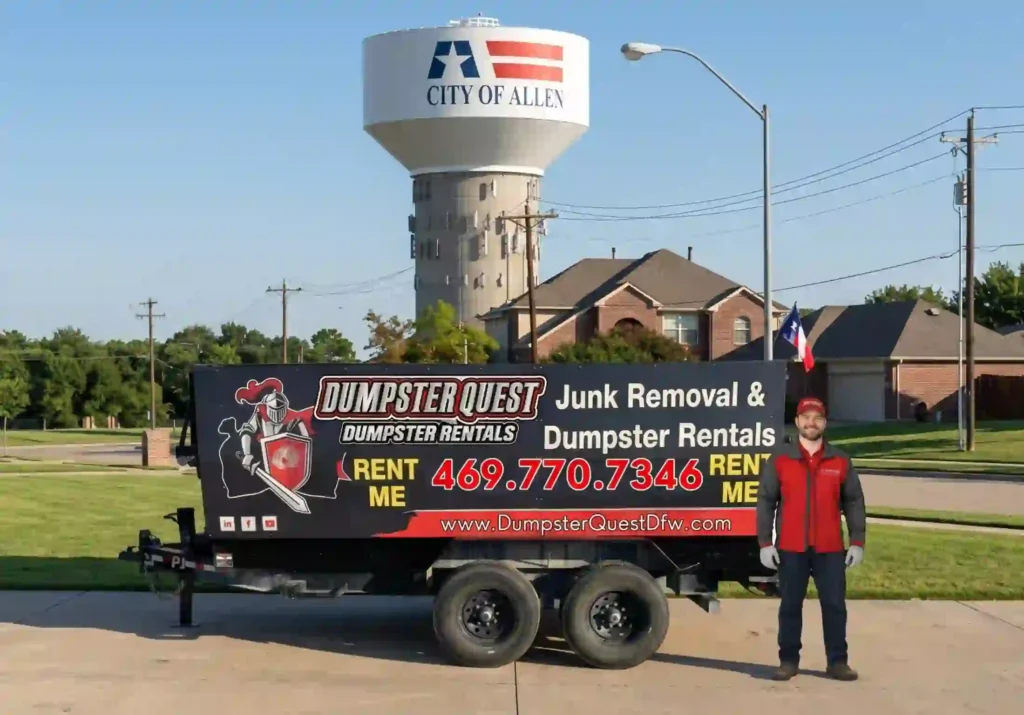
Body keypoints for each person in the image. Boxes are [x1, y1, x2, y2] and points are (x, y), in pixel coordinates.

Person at [755, 396, 866, 682]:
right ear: (797, 422)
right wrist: (765, 543)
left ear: (825, 423)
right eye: (806, 417)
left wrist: (857, 541)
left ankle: (838, 662)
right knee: (790, 605)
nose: (811, 422)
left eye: (817, 417)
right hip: (791, 548)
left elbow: (854, 501)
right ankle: (788, 661)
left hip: (830, 549)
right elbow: (766, 501)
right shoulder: (780, 459)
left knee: (834, 606)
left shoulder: (840, 460)